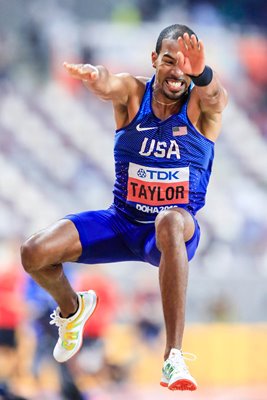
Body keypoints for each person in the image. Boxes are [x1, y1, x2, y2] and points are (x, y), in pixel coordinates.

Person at [21, 24, 228, 392]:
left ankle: (173, 357)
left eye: (185, 65)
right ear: (154, 61)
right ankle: (72, 310)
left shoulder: (199, 105)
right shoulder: (134, 94)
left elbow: (216, 98)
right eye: (169, 61)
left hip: (172, 232)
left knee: (167, 219)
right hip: (122, 221)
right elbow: (108, 84)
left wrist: (204, 73)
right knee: (34, 252)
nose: (178, 72)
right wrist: (95, 76)